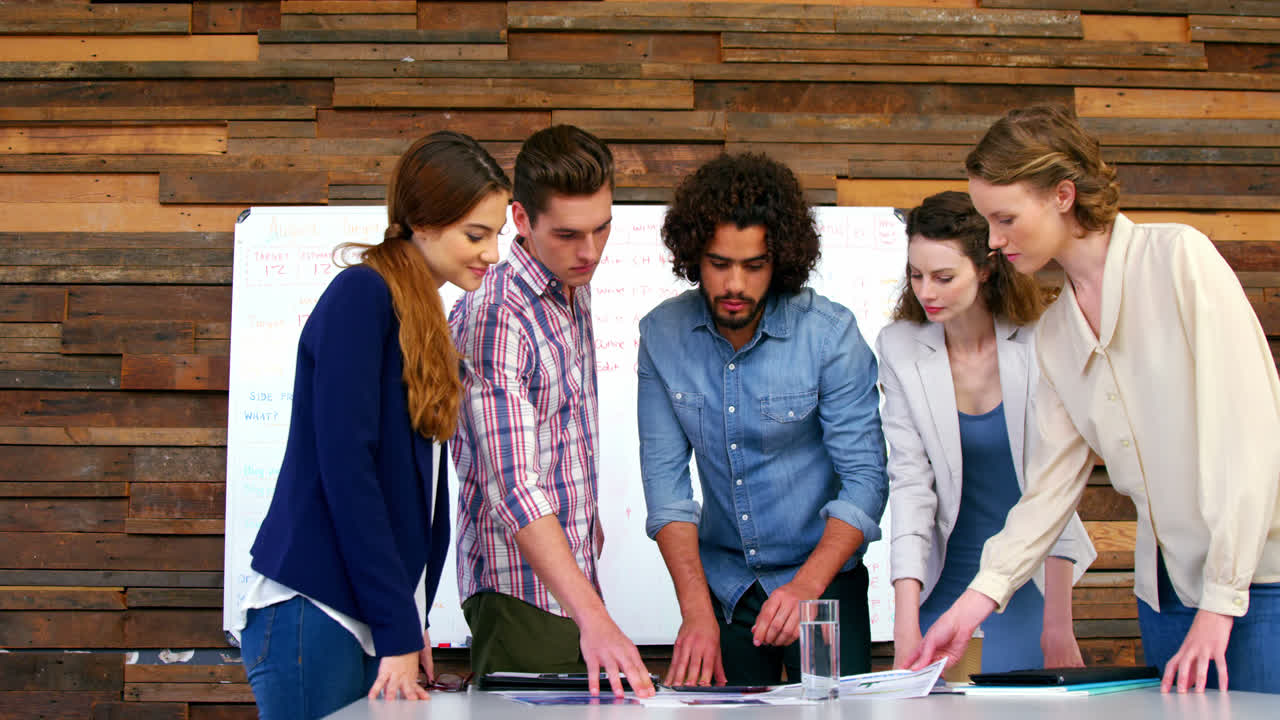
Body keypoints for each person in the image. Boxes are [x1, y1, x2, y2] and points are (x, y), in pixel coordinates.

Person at [907, 105, 1280, 694]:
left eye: (1004, 219)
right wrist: (974, 603)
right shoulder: (1056, 331)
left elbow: (1252, 441)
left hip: (1258, 585)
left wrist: (1220, 602)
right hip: (1165, 594)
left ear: (1062, 194)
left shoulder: (1181, 259)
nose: (994, 241)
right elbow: (1050, 488)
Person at [236, 131, 511, 719]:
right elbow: (348, 471)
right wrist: (396, 627)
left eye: (497, 236)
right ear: (423, 222)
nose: (493, 254)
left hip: (363, 618)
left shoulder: (421, 312)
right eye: (476, 234)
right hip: (319, 613)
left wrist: (406, 624)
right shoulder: (362, 295)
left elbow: (406, 494)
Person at [637, 153, 889, 687]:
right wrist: (695, 611)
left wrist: (804, 587)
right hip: (724, 589)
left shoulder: (830, 335)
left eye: (754, 266)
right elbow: (667, 491)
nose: (735, 284)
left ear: (781, 261)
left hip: (823, 583)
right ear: (692, 257)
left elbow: (865, 481)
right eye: (718, 263)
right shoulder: (661, 335)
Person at [450, 125, 655, 699]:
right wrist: (593, 616)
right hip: (522, 595)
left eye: (602, 228)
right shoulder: (498, 313)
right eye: (567, 234)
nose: (589, 251)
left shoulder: (569, 283)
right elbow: (513, 484)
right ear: (520, 219)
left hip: (565, 588)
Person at [877, 191, 1096, 674]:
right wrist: (905, 622)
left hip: (1031, 588)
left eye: (943, 277)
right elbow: (911, 486)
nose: (926, 292)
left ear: (985, 268)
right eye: (916, 275)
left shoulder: (1042, 337)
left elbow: (1054, 486)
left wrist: (1058, 625)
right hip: (943, 586)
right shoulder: (899, 347)